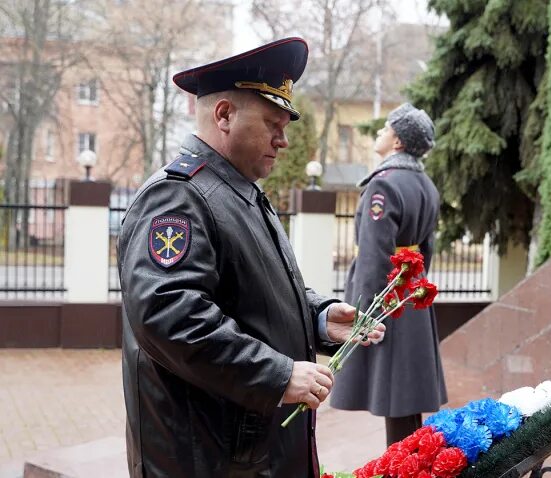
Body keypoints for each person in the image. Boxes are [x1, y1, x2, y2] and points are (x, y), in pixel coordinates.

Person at [117, 37, 384, 478]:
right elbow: (169, 315)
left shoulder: (236, 191)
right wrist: (277, 375)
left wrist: (317, 316)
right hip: (209, 458)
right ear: (224, 115)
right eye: (272, 123)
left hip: (249, 452)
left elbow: (249, 291)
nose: (283, 140)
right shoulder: (177, 198)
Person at [329, 103, 447, 447]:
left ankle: (403, 467)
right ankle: (411, 462)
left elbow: (374, 258)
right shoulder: (426, 184)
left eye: (385, 129)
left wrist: (361, 313)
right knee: (406, 398)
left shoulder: (384, 186)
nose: (379, 133)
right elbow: (427, 252)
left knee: (397, 395)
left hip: (388, 300)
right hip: (411, 293)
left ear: (397, 142)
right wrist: (415, 287)